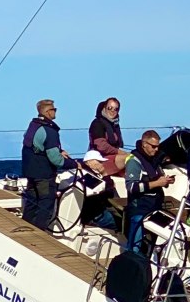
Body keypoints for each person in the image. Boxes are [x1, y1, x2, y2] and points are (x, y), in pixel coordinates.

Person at [21, 99, 78, 231]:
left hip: (30, 172)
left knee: (32, 202)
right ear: (47, 112)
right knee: (45, 204)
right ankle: (39, 234)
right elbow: (56, 160)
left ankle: (24, 229)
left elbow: (37, 146)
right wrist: (74, 164)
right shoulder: (49, 131)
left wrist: (59, 151)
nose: (55, 111)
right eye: (54, 109)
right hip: (43, 175)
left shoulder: (33, 126)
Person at [125, 130, 174, 254]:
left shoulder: (154, 160)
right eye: (153, 146)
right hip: (140, 209)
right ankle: (131, 259)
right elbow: (131, 187)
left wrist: (166, 181)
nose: (156, 149)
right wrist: (157, 183)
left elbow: (158, 178)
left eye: (158, 146)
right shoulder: (134, 161)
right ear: (144, 144)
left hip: (155, 207)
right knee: (135, 245)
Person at [79, 150, 118, 231]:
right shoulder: (87, 175)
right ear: (89, 162)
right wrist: (104, 174)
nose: (102, 164)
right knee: (117, 223)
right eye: (99, 161)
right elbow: (108, 192)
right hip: (93, 213)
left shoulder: (90, 174)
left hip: (95, 210)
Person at [88, 97, 126, 176]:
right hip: (100, 158)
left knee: (134, 159)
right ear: (104, 108)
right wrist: (120, 152)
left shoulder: (115, 125)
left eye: (116, 109)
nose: (113, 111)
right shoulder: (97, 124)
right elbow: (102, 146)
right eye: (110, 108)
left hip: (113, 156)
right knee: (129, 159)